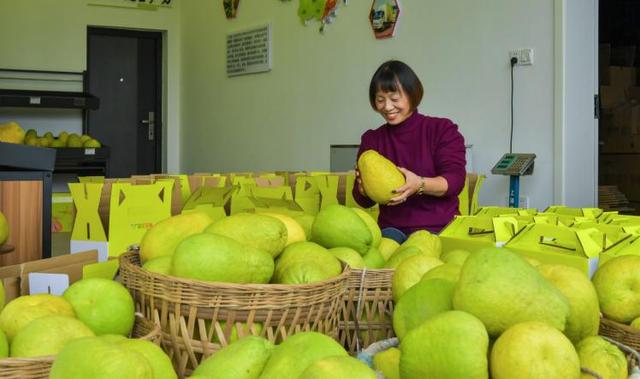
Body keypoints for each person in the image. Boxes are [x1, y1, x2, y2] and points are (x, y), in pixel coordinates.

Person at [353, 60, 466, 243]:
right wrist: (363, 189)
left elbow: (455, 181)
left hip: (440, 228)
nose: (387, 107)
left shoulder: (442, 129)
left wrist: (419, 184)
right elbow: (364, 201)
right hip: (391, 231)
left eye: (395, 99)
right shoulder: (372, 140)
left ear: (412, 94)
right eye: (380, 100)